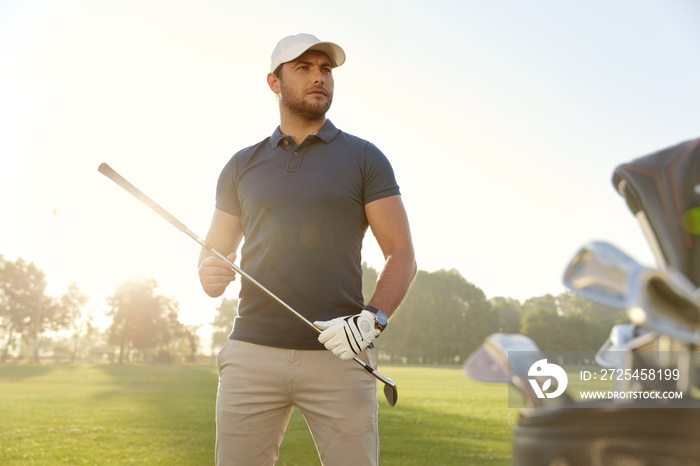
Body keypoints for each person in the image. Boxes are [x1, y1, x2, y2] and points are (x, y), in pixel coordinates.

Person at [198, 33, 416, 466]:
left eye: (326, 70)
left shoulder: (365, 158)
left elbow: (402, 254)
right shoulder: (241, 165)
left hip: (341, 355)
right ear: (274, 83)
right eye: (304, 68)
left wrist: (372, 319)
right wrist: (209, 272)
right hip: (251, 354)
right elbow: (211, 257)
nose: (320, 78)